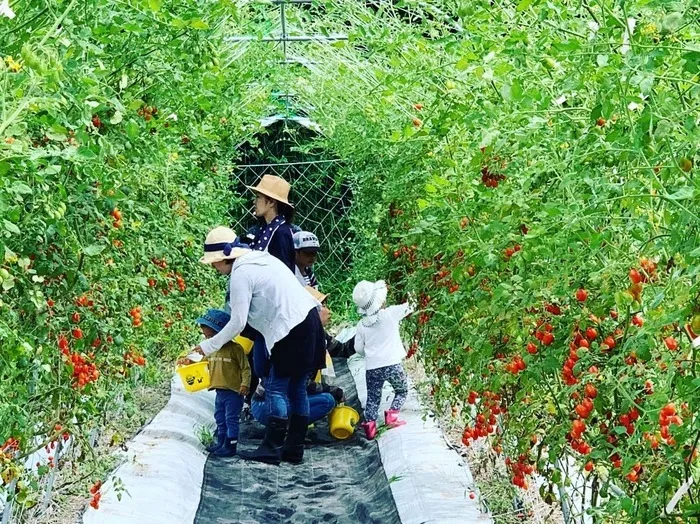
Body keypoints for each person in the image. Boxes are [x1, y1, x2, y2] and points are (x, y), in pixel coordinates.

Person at [191, 226, 325, 466]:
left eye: (215, 263)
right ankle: (294, 449)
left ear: (226, 256)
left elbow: (238, 322)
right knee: (297, 388)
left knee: (276, 388)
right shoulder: (259, 257)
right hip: (310, 321)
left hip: (290, 329)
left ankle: (271, 448)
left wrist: (208, 346)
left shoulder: (241, 273)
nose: (214, 267)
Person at [180, 310, 250, 457]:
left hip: (234, 391)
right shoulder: (211, 350)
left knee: (231, 418)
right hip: (219, 391)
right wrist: (188, 362)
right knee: (219, 417)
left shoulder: (235, 349)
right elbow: (201, 363)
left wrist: (245, 384)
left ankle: (230, 446)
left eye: (211, 336)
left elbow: (246, 368)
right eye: (207, 337)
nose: (208, 340)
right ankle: (221, 442)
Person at [352, 280, 413, 440]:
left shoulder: (361, 325)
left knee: (373, 397)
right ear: (381, 300)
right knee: (402, 390)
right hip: (393, 364)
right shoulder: (391, 313)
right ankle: (392, 416)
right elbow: (411, 305)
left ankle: (370, 427)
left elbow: (358, 348)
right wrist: (413, 286)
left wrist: (370, 352)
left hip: (372, 368)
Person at [246, 174, 296, 273]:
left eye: (258, 197)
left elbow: (283, 273)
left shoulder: (281, 232)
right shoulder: (264, 229)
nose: (254, 202)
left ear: (271, 202)